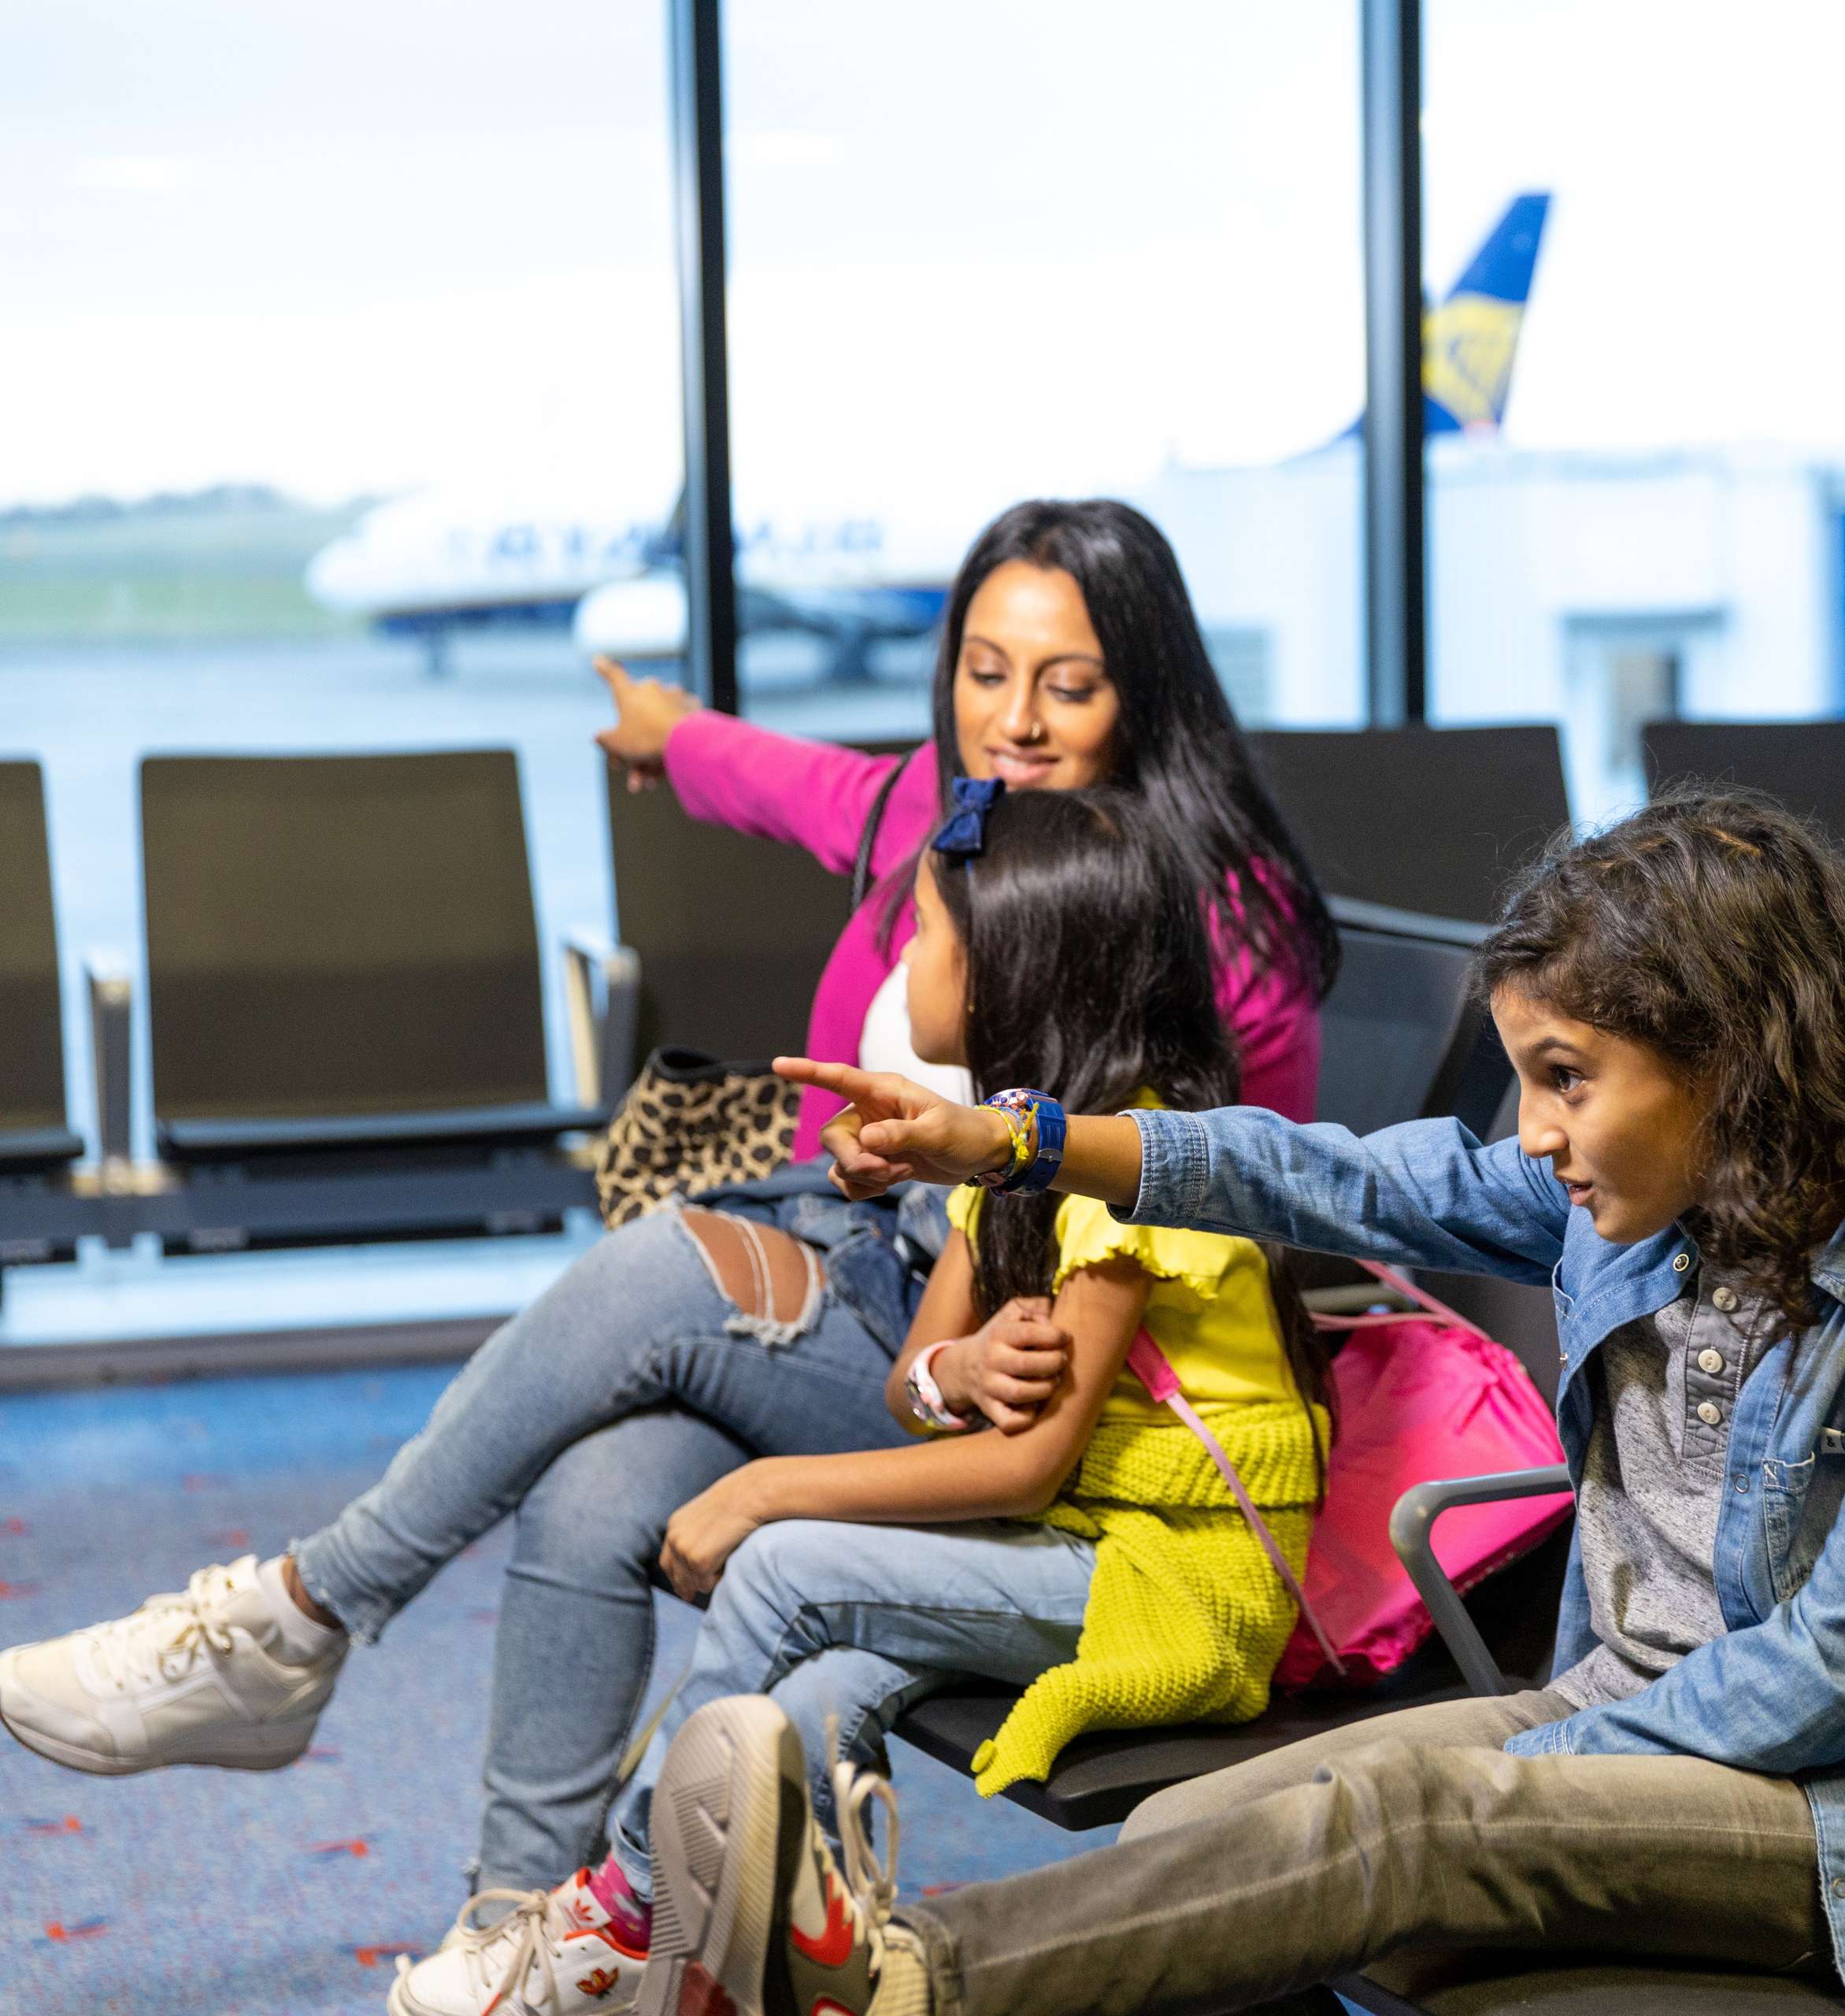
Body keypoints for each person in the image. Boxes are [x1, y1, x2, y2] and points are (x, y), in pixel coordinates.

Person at [0, 500, 1338, 1908]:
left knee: (665, 1268)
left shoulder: (1198, 913)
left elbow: (1217, 1188)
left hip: (1039, 1376)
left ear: (1148, 691)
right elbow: (785, 778)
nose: (1012, 720)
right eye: (983, 671)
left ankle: (300, 1615)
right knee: (600, 1486)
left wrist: (956, 1181)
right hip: (879, 1293)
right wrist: (666, 730)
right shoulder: (944, 816)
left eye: (1068, 685)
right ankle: (522, 1926)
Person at [651, 788, 1845, 2016]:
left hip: (1843, 1819)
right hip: (1608, 1712)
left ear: (1733, 1056)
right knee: (1190, 1835)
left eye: (1568, 1080)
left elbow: (1835, 1681)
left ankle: (899, 1984)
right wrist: (1015, 1142)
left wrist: (1523, 1768)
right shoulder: (1654, 1198)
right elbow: (1326, 1175)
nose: (1537, 1134)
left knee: (1395, 1830)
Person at [382, 785, 1331, 2016]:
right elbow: (906, 1390)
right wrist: (955, 1372)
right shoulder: (1011, 1145)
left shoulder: (1124, 1170)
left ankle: (625, 1921)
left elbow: (1023, 1468)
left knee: (783, 1568)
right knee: (811, 1703)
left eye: (926, 935)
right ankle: (776, 1982)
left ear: (1006, 978)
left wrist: (766, 1490)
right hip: (1073, 1546)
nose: (903, 963)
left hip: (1179, 1584)